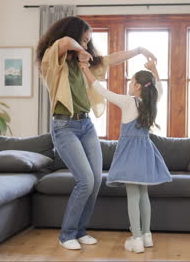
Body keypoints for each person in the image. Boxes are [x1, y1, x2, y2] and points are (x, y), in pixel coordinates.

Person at [36, 16, 157, 250]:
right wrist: (80, 48)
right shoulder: (53, 59)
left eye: (88, 41)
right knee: (85, 180)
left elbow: (111, 59)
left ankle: (80, 231)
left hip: (86, 126)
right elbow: (63, 42)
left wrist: (139, 49)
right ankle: (67, 234)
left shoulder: (86, 64)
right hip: (64, 127)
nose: (86, 44)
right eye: (83, 39)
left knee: (96, 180)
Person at [80, 59, 172, 253]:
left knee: (133, 194)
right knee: (143, 193)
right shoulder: (152, 101)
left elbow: (102, 91)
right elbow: (160, 87)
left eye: (131, 82)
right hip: (146, 151)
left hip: (130, 153)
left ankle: (136, 238)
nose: (129, 85)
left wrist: (86, 70)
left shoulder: (129, 102)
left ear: (138, 86)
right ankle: (147, 236)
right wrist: (155, 69)